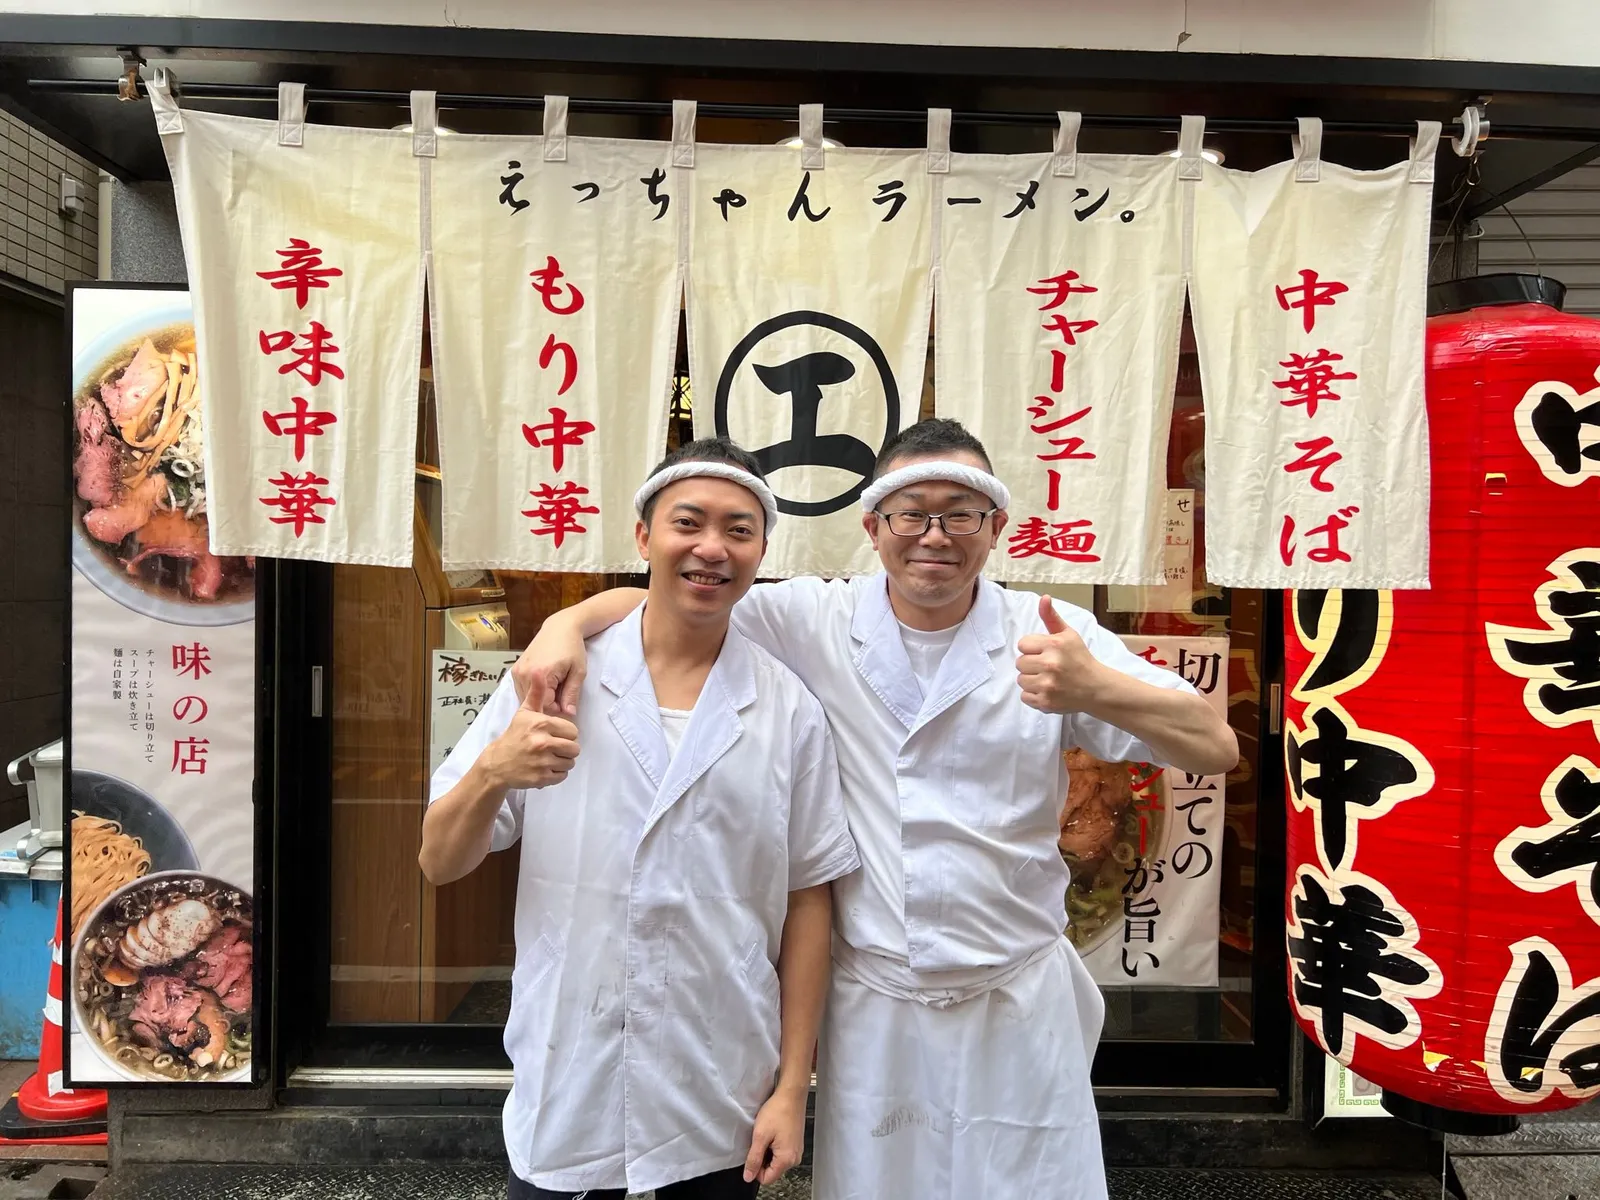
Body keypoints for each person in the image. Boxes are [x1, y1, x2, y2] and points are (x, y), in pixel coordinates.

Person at [510, 418, 1239, 1200]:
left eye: (960, 514)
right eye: (911, 513)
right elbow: (674, 596)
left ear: (995, 528)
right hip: (875, 1002)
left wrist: (1098, 690)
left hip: (1016, 994)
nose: (935, 535)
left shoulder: (1050, 634)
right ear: (872, 527)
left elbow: (1214, 747)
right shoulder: (813, 619)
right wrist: (566, 622)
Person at [421, 439, 859, 1200]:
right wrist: (494, 771)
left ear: (761, 552)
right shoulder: (556, 681)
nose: (712, 548)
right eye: (687, 522)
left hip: (718, 1073)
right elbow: (439, 860)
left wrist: (793, 1087)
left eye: (740, 530)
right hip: (571, 1063)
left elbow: (808, 899)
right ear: (643, 537)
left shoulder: (788, 708)